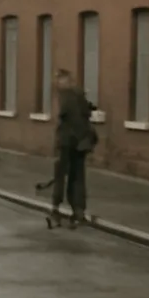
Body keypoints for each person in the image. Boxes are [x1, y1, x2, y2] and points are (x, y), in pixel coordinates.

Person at [50, 70, 97, 229]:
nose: (58, 84)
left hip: (66, 143)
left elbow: (65, 115)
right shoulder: (79, 96)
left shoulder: (66, 97)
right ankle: (78, 213)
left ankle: (56, 211)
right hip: (80, 143)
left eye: (59, 80)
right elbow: (87, 114)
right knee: (77, 177)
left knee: (60, 176)